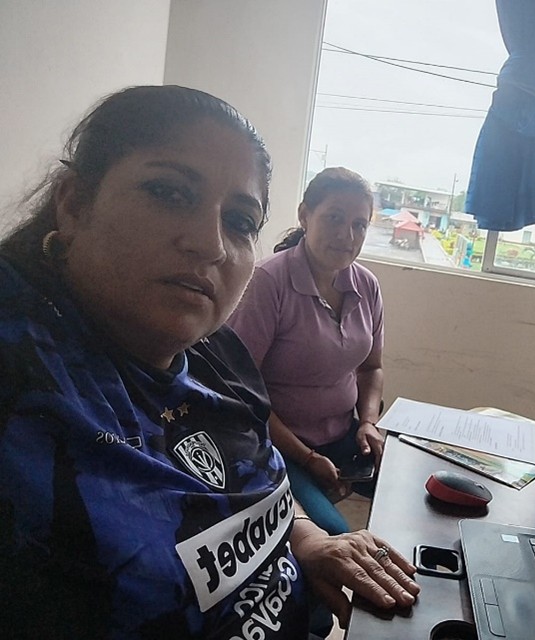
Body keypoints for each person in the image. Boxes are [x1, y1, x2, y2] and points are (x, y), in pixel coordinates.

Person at [0, 85, 418, 640]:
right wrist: (309, 460)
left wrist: (308, 539)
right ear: (75, 203)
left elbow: (261, 475)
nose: (211, 244)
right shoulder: (23, 388)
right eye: (169, 193)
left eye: (240, 221)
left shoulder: (216, 353)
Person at [228, 167, 384, 536]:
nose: (347, 236)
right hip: (277, 445)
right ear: (304, 215)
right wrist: (308, 458)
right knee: (330, 532)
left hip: (345, 438)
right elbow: (239, 392)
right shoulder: (267, 282)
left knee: (413, 491)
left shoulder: (366, 285)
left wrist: (368, 422)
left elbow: (371, 368)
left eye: (359, 225)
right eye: (334, 218)